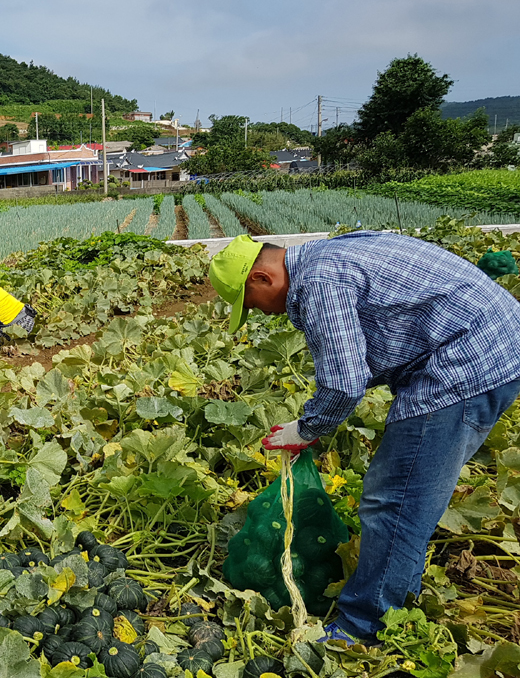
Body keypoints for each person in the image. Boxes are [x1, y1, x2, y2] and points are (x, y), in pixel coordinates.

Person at [209, 232, 520, 644]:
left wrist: (305, 429)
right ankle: (397, 606)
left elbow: (344, 383)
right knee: (409, 496)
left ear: (262, 279)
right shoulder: (328, 254)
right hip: (492, 348)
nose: (262, 315)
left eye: (251, 305)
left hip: (463, 365)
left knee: (395, 499)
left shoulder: (318, 282)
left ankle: (364, 627)